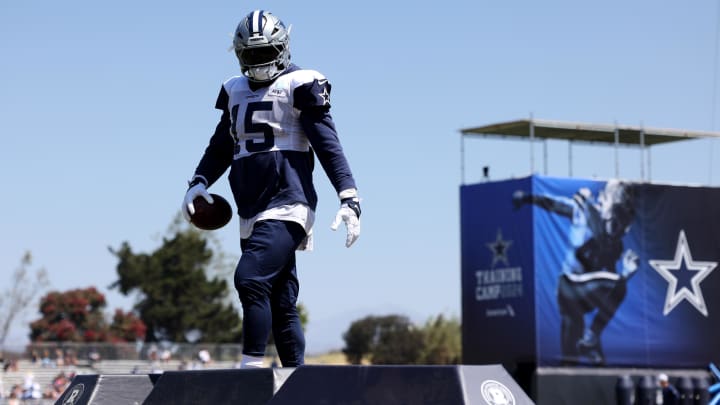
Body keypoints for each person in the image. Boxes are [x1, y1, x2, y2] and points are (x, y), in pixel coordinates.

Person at [182, 10, 361, 368]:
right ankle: (297, 380)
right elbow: (221, 144)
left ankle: (250, 369)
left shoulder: (301, 84)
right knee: (281, 300)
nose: (257, 62)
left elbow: (328, 144)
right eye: (250, 54)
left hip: (287, 202)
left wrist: (349, 195)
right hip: (251, 206)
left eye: (264, 53)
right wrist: (200, 180)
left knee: (249, 279)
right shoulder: (234, 90)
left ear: (282, 48)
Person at [513, 180, 636, 365]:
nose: (616, 227)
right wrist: (528, 198)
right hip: (571, 285)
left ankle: (590, 340)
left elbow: (609, 290)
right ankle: (591, 337)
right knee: (620, 283)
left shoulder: (615, 243)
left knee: (571, 360)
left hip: (583, 296)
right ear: (603, 200)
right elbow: (554, 204)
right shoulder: (585, 211)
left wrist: (623, 272)